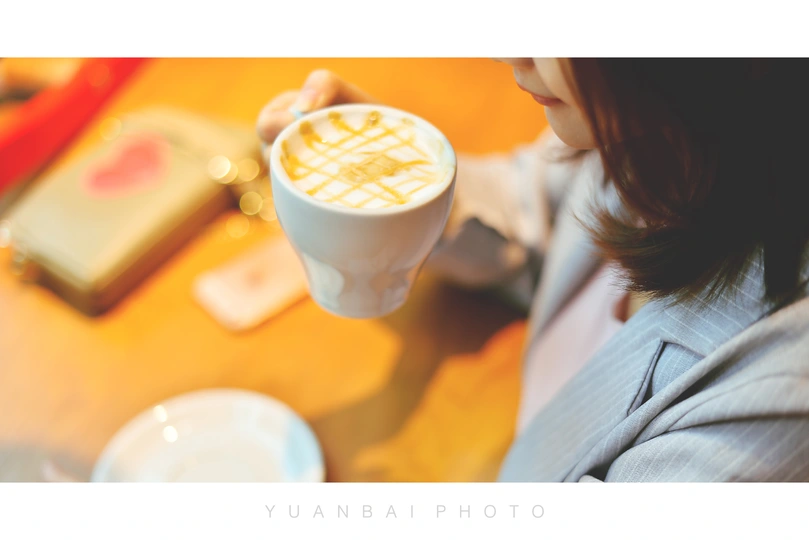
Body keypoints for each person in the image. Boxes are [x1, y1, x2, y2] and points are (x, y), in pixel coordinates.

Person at [256, 59, 809, 482]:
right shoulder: (655, 134)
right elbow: (536, 204)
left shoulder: (768, 409)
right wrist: (397, 183)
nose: (504, 52)